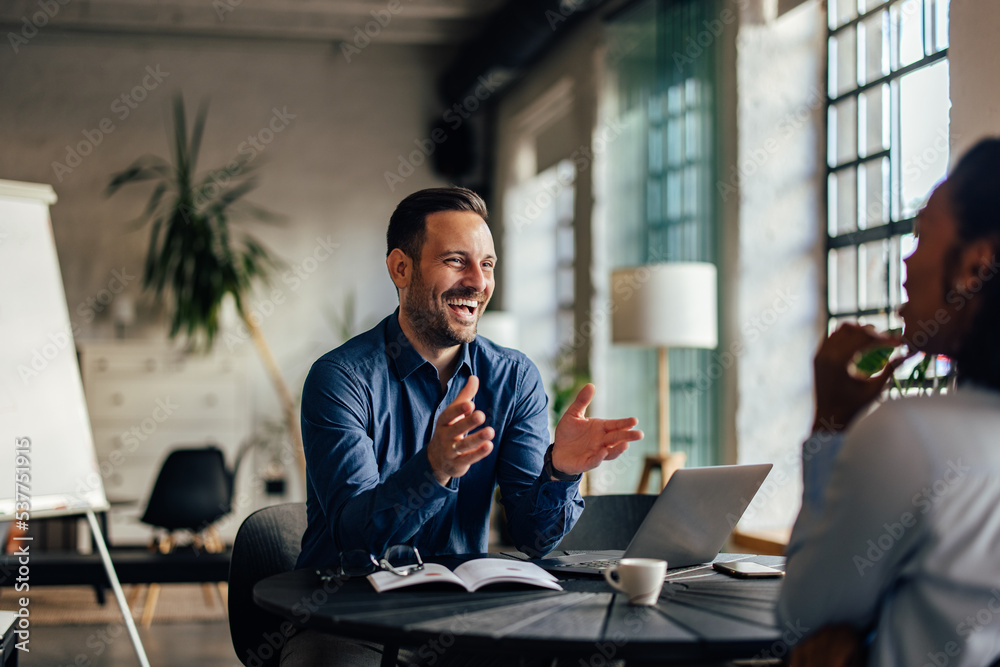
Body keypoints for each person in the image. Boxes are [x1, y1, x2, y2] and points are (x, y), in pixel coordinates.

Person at [283, 187, 642, 666]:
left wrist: (560, 472)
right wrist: (432, 469)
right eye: (456, 261)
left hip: (465, 616)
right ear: (400, 268)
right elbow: (356, 536)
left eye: (488, 264)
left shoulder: (514, 379)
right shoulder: (341, 378)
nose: (478, 282)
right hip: (349, 615)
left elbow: (535, 539)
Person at [778, 138, 1000, 667]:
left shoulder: (908, 433)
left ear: (975, 265)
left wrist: (831, 427)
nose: (905, 259)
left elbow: (801, 615)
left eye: (921, 234)